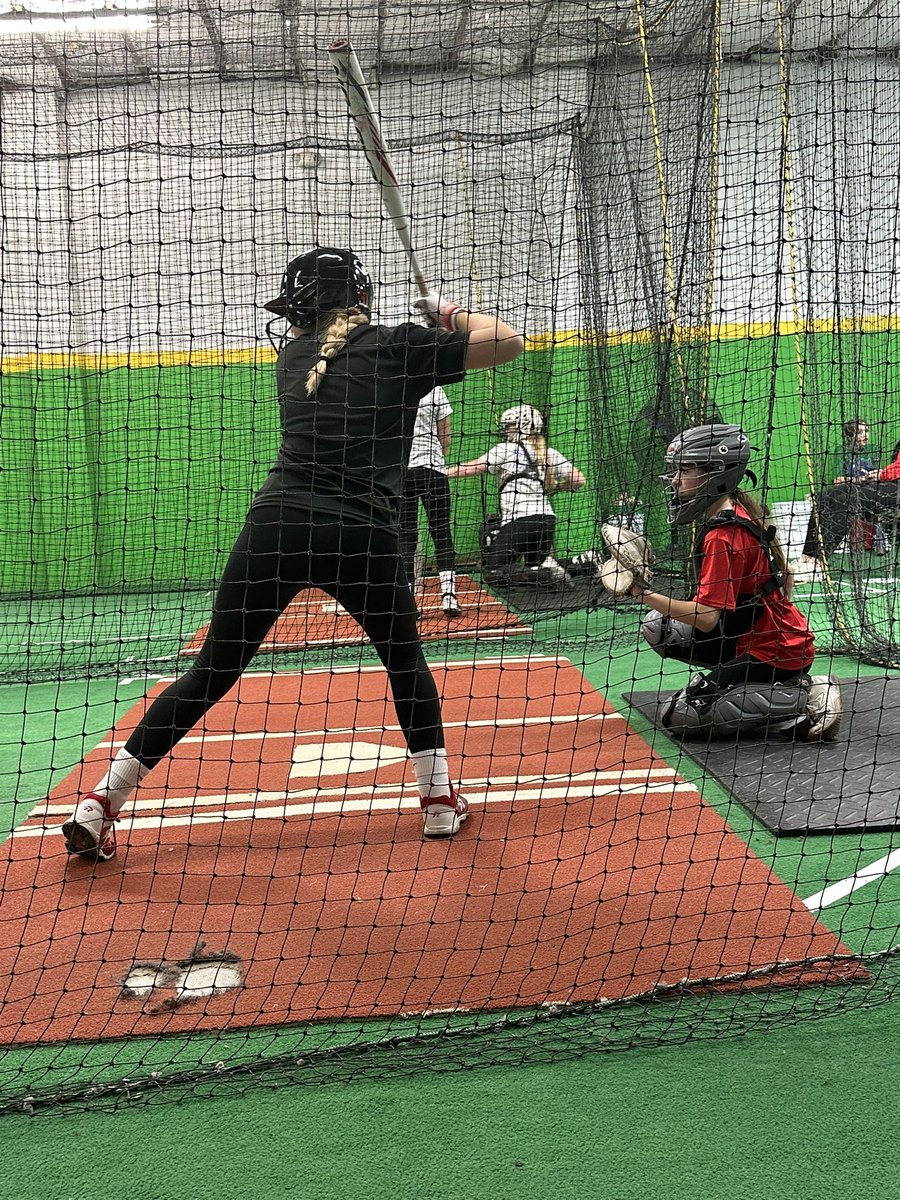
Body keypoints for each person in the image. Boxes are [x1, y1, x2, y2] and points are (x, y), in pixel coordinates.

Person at [62, 246, 525, 861]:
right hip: (362, 533)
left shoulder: (295, 358)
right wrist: (447, 314)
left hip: (276, 525)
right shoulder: (398, 345)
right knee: (403, 660)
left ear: (302, 309)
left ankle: (101, 801)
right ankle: (438, 801)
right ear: (359, 298)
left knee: (211, 671)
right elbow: (509, 342)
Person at [625, 423, 841, 741]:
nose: (674, 479)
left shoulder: (722, 536)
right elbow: (788, 577)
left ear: (716, 473)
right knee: (660, 627)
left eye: (685, 470)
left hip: (777, 651)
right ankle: (758, 683)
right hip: (757, 635)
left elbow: (707, 618)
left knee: (681, 715)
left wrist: (642, 593)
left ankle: (808, 696)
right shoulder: (739, 510)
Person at [447, 404, 586, 586]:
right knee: (533, 567)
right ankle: (579, 563)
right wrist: (556, 488)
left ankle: (547, 571)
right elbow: (578, 480)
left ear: (523, 425)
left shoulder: (506, 449)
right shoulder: (548, 452)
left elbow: (474, 467)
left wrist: (444, 472)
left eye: (510, 426)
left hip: (519, 521)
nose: (506, 430)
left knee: (493, 573)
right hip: (546, 519)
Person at [791, 438, 900, 579]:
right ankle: (807, 557)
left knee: (847, 501)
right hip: (891, 482)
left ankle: (817, 562)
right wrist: (883, 473)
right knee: (825, 497)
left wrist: (883, 474)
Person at [398, 385, 461, 618]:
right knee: (441, 531)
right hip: (433, 470)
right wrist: (435, 458)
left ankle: (408, 601)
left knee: (406, 535)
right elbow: (445, 436)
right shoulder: (435, 389)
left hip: (403, 472)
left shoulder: (395, 385)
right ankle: (449, 596)